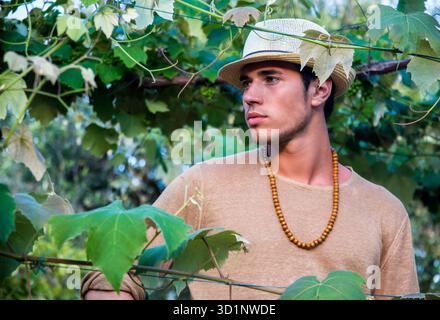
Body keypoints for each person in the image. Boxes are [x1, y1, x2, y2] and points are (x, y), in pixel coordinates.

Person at [81, 18, 419, 300]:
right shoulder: (204, 184)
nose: (249, 97)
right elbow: (112, 275)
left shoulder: (384, 211)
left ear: (319, 89)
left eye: (270, 79)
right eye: (246, 83)